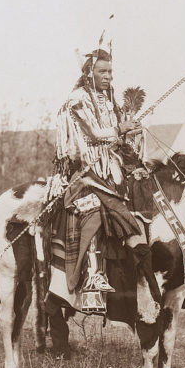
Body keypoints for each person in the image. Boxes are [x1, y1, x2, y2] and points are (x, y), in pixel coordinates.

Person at [48, 47, 158, 297]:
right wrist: (120, 129)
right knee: (94, 209)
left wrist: (131, 132)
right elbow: (91, 134)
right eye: (102, 71)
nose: (108, 76)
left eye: (110, 71)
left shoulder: (109, 101)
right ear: (89, 73)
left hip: (112, 167)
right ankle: (92, 273)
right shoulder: (77, 99)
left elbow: (113, 137)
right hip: (85, 169)